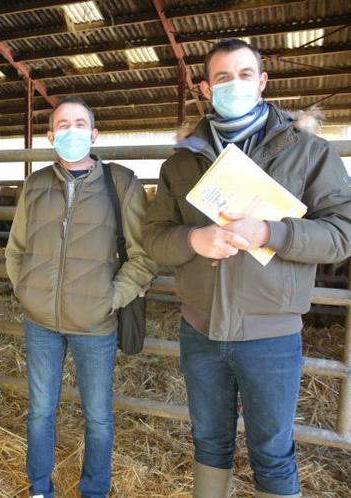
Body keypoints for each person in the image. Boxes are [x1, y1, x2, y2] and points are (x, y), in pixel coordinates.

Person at [143, 39, 351, 498]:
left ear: (262, 82)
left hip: (271, 336)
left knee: (272, 451)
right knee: (209, 441)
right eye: (221, 78)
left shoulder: (309, 152)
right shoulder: (182, 162)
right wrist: (192, 239)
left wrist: (271, 233)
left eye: (243, 75)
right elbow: (154, 237)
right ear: (205, 87)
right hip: (200, 329)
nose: (232, 85)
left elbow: (342, 233)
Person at [5, 96, 157, 498]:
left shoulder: (121, 183)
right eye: (63, 125)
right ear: (51, 135)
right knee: (40, 411)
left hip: (95, 322)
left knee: (98, 417)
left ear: (94, 133)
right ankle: (40, 487)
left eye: (79, 123)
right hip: (40, 321)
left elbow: (143, 256)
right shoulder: (36, 184)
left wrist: (112, 298)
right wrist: (26, 291)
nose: (71, 131)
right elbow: (15, 248)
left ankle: (95, 491)